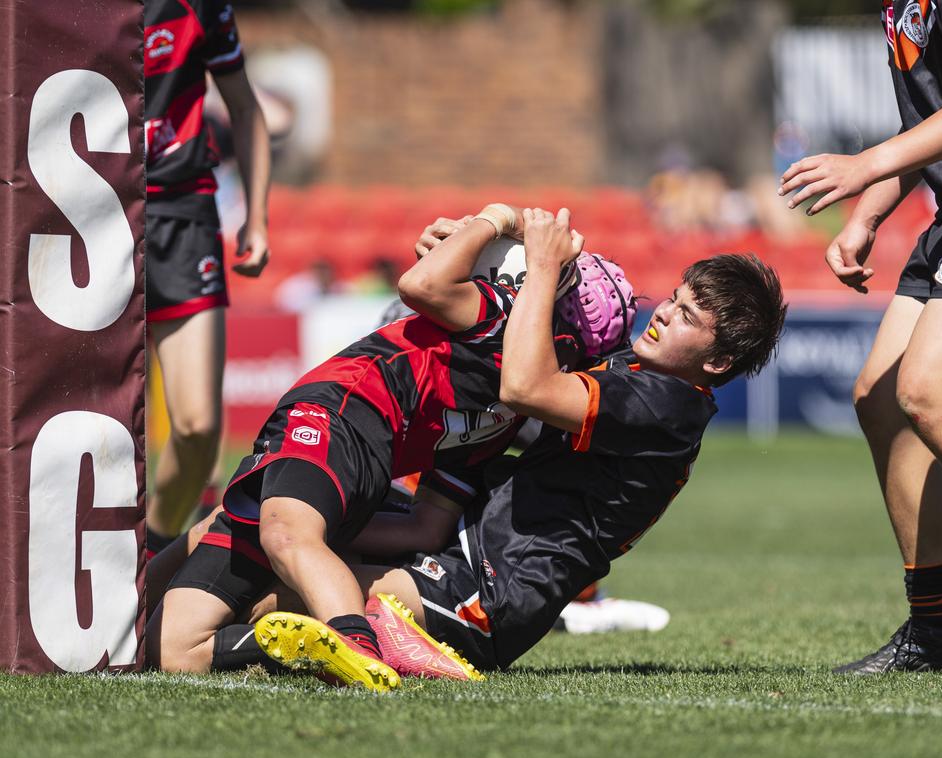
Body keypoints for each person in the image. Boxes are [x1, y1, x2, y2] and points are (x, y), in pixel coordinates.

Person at [246, 211, 786, 674]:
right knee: (283, 553)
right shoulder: (639, 371)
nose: (665, 313)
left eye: (687, 316)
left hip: (493, 591)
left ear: (716, 363)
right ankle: (371, 637)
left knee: (273, 595)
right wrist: (459, 252)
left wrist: (545, 268)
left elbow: (524, 387)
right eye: (674, 299)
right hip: (460, 539)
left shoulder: (668, 406)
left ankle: (375, 643)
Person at [146, 206, 636, 690]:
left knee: (283, 532)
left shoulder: (501, 321)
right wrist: (334, 533)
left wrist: (495, 217)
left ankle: (358, 643)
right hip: (347, 448)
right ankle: (139, 604)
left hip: (337, 413)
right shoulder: (507, 414)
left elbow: (420, 286)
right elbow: (426, 527)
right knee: (175, 650)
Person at [779, 1, 942, 673]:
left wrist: (864, 164)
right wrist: (867, 216)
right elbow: (928, 125)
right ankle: (938, 620)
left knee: (926, 390)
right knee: (881, 400)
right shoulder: (902, 7)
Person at [145, 0, 271, 556]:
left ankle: (150, 554)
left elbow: (245, 109)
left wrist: (258, 218)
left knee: (197, 430)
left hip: (182, 215)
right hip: (80, 216)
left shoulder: (201, 7)